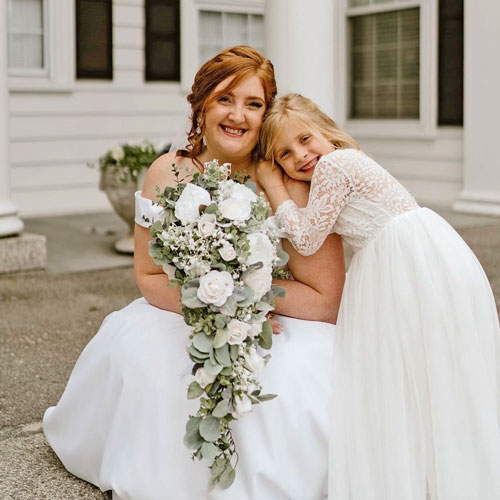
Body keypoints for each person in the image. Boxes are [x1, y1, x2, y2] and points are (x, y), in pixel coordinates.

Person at [43, 49, 345, 500]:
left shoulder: (291, 179)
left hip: (279, 320)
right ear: (201, 103)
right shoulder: (166, 173)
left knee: (296, 379)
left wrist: (246, 302)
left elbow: (324, 301)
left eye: (254, 103)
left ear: (268, 112)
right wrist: (209, 305)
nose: (238, 115)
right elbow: (146, 274)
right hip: (181, 310)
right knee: (146, 360)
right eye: (225, 98)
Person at [257, 93, 500, 500]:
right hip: (407, 254)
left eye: (304, 139)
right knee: (421, 370)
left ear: (326, 132)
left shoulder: (335, 163)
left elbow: (306, 236)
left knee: (408, 368)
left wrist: (272, 185)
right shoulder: (338, 165)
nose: (300, 156)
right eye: (284, 154)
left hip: (406, 261)